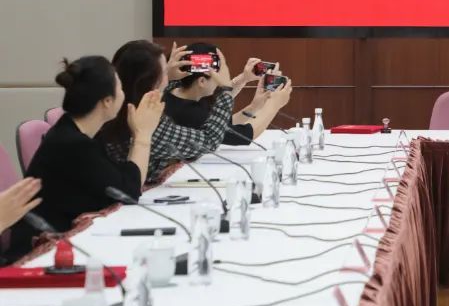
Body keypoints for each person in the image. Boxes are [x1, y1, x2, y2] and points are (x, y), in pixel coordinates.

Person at [4, 57, 163, 261]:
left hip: (66, 238)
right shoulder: (73, 144)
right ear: (107, 101)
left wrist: (141, 135)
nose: (123, 94)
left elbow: (123, 181)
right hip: (40, 251)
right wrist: (142, 135)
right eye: (120, 88)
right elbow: (128, 192)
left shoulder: (76, 132)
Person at [99, 41, 233, 180]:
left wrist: (170, 79)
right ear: (150, 81)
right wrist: (226, 91)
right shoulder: (145, 119)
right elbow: (208, 142)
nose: (168, 76)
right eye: (164, 72)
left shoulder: (116, 106)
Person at [168, 53, 293, 144]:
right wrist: (273, 105)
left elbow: (223, 123)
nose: (223, 82)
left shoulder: (176, 95)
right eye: (220, 76)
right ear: (202, 81)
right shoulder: (191, 113)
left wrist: (253, 106)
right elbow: (243, 135)